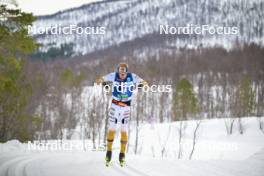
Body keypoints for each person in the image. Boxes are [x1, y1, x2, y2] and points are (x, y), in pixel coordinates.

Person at [96, 62, 147, 166]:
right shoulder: (113, 75)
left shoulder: (132, 76)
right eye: (120, 71)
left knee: (124, 129)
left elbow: (143, 81)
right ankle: (109, 152)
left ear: (127, 71)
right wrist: (100, 80)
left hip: (126, 107)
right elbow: (102, 78)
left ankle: (122, 154)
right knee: (112, 128)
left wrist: (144, 84)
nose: (122, 74)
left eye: (124, 71)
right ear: (118, 70)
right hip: (115, 106)